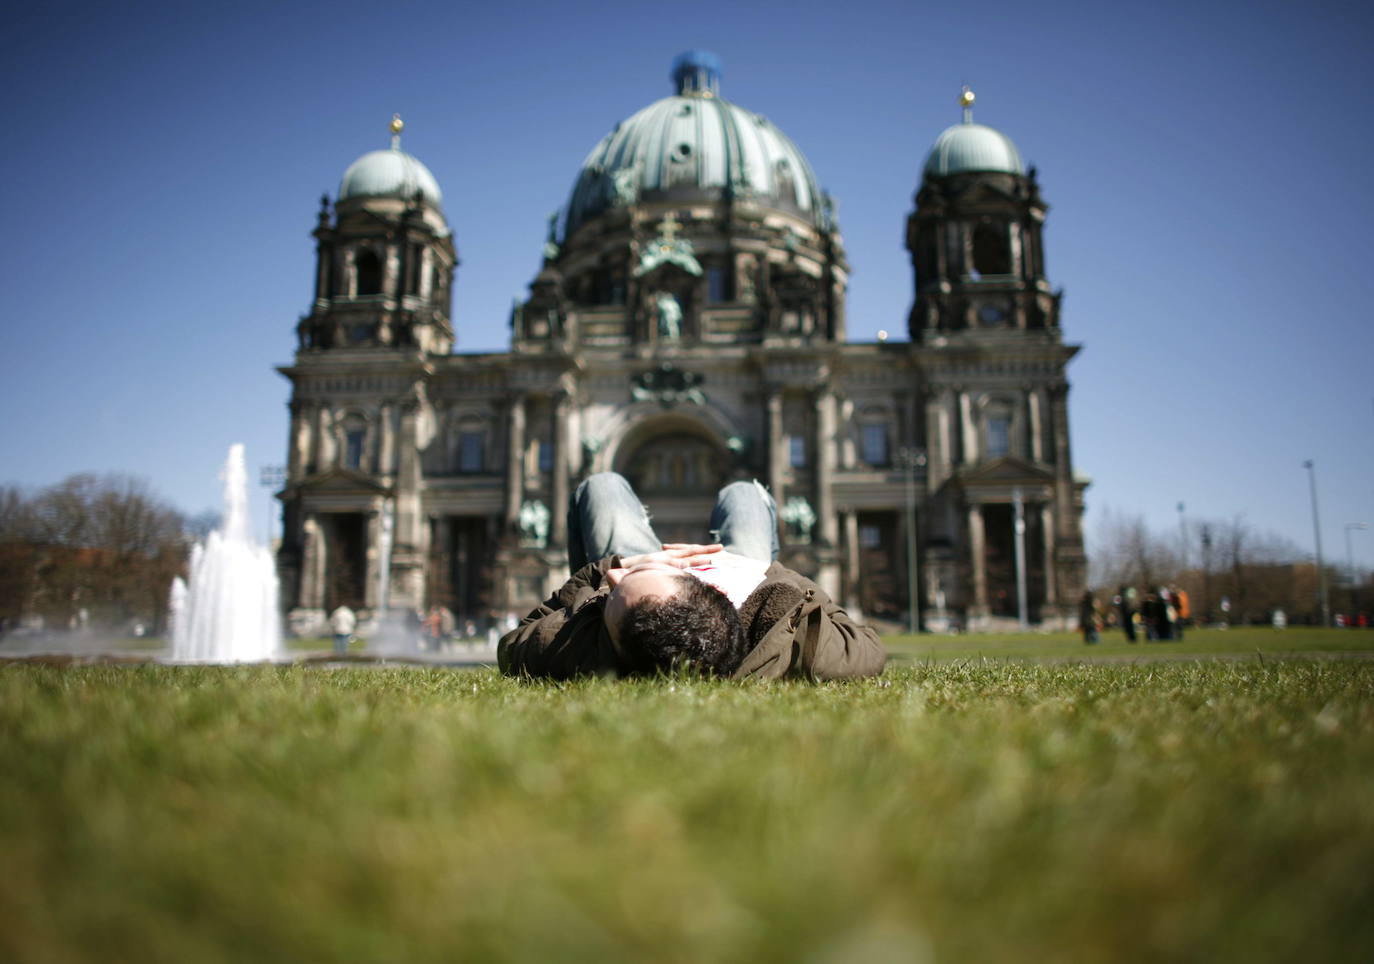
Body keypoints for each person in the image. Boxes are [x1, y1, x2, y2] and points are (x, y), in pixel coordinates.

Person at [498, 472, 886, 680]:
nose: (615, 580)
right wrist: (764, 573)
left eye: (612, 593)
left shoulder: (580, 647)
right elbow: (865, 643)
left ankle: (649, 571)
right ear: (703, 584)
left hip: (661, 584)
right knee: (744, 495)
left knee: (602, 487)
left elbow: (517, 640)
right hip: (743, 574)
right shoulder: (799, 644)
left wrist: (611, 568)